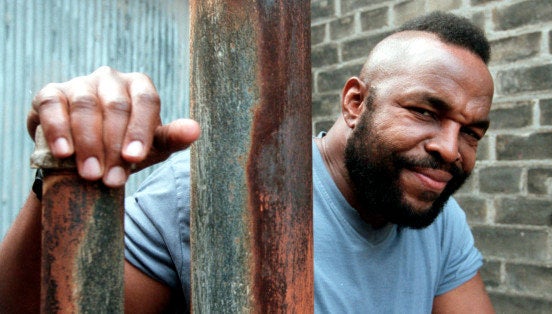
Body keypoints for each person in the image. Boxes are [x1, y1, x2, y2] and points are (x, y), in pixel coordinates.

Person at [0, 11, 495, 313]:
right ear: (354, 103)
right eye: (426, 112)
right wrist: (63, 174)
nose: (450, 149)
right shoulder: (201, 190)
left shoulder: (439, 220)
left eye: (471, 131)